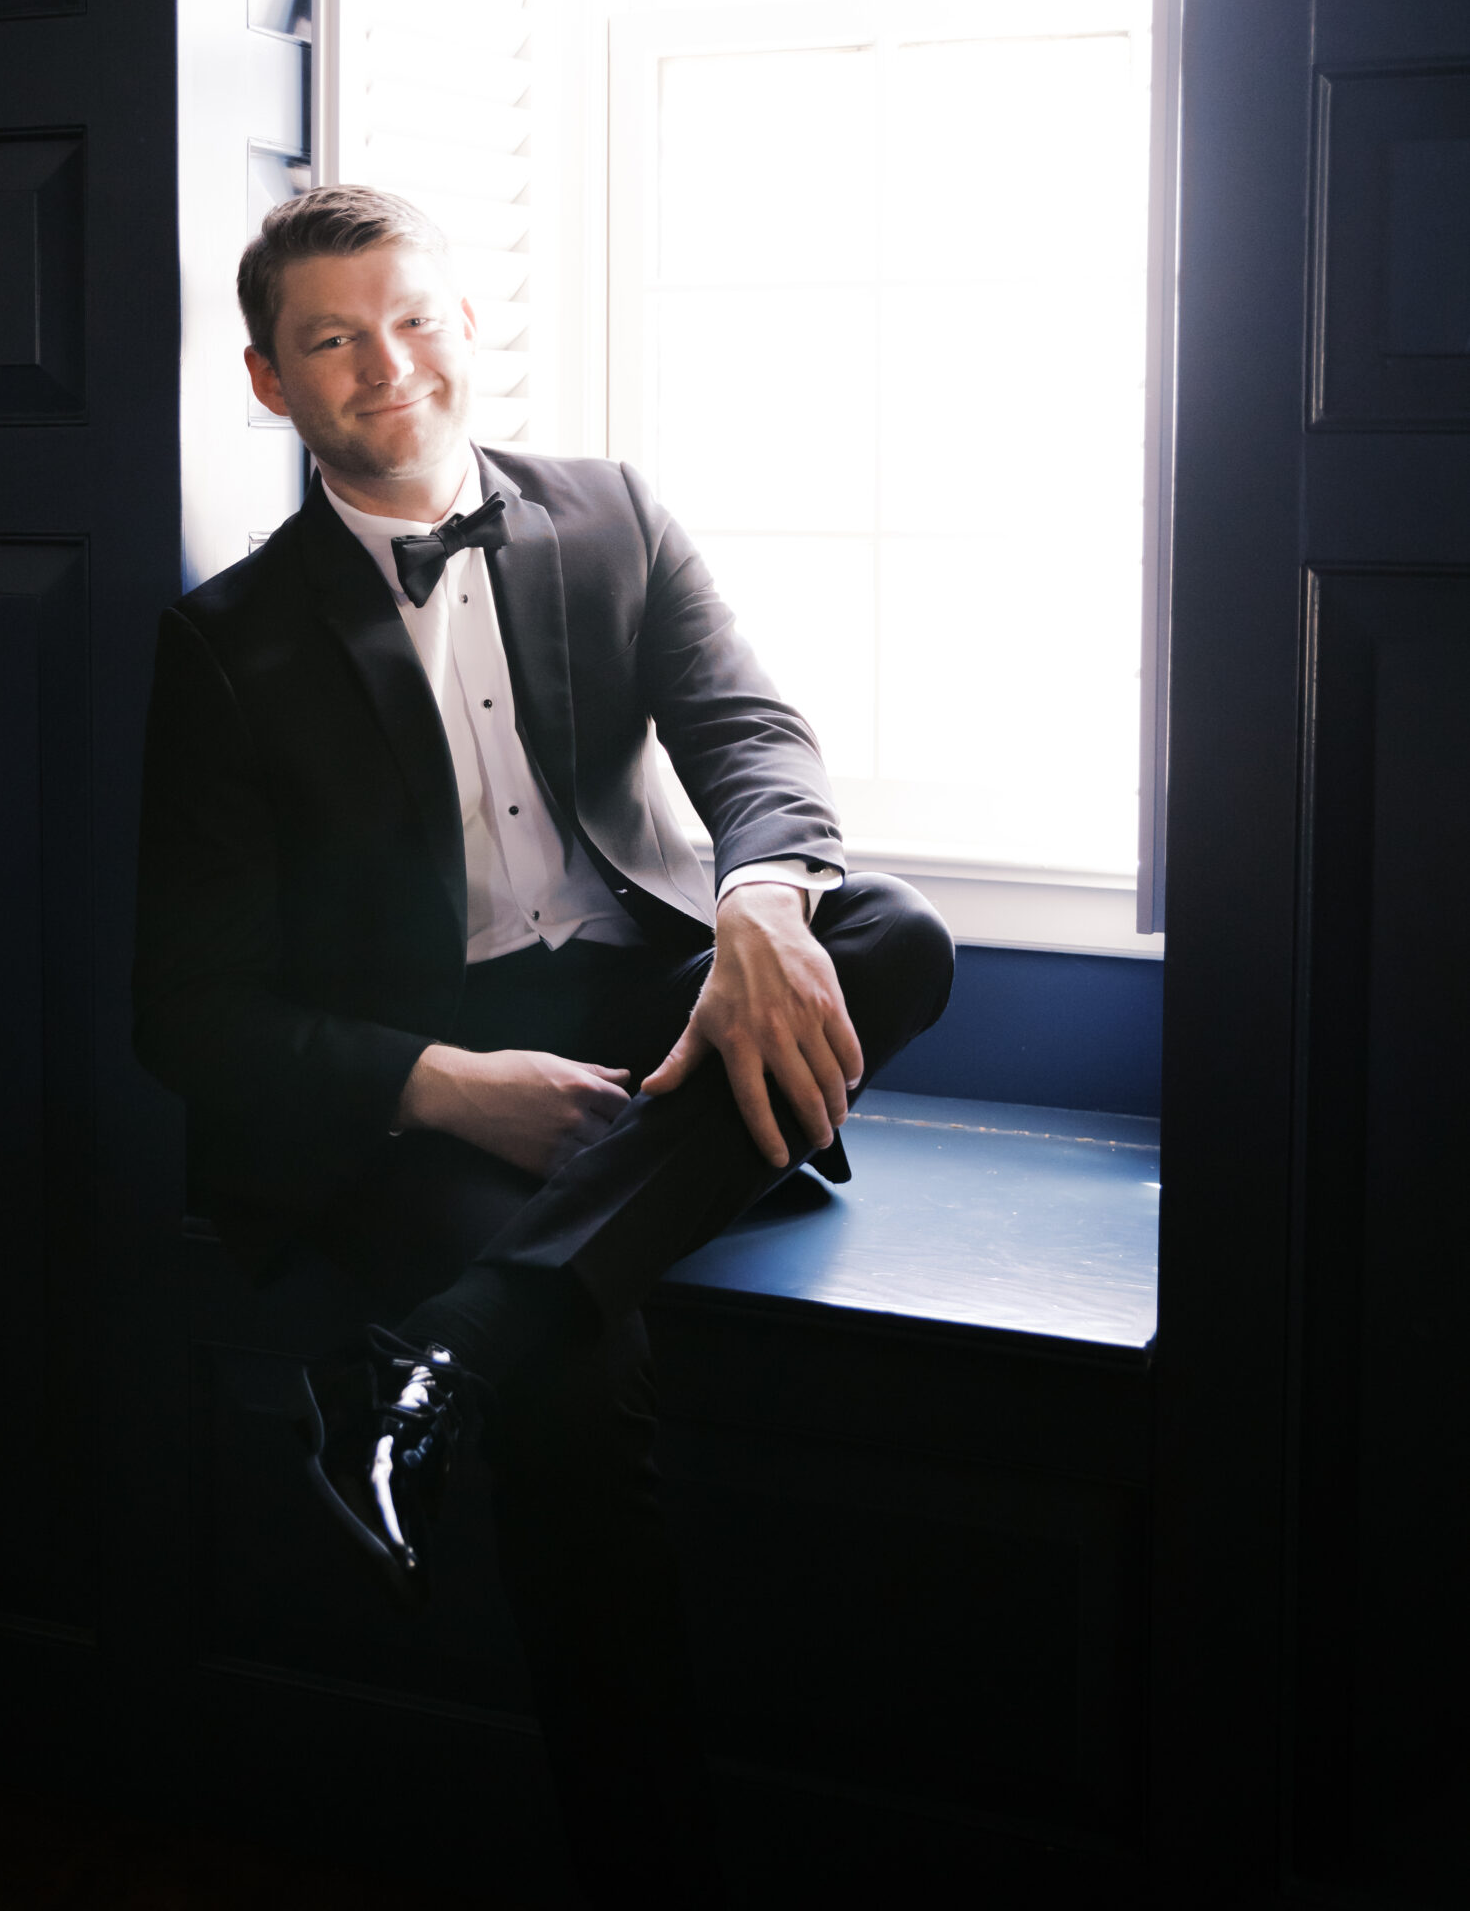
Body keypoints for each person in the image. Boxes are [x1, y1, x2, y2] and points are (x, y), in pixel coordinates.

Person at [133, 185, 954, 1904]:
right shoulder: (225, 643)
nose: (388, 363)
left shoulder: (610, 516)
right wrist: (451, 1088)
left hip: (641, 1007)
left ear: (468, 324)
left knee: (892, 933)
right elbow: (187, 1012)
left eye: (412, 316)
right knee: (582, 1387)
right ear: (270, 383)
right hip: (418, 1077)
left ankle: (435, 1354)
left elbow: (752, 734)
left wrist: (759, 910)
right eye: (333, 339)